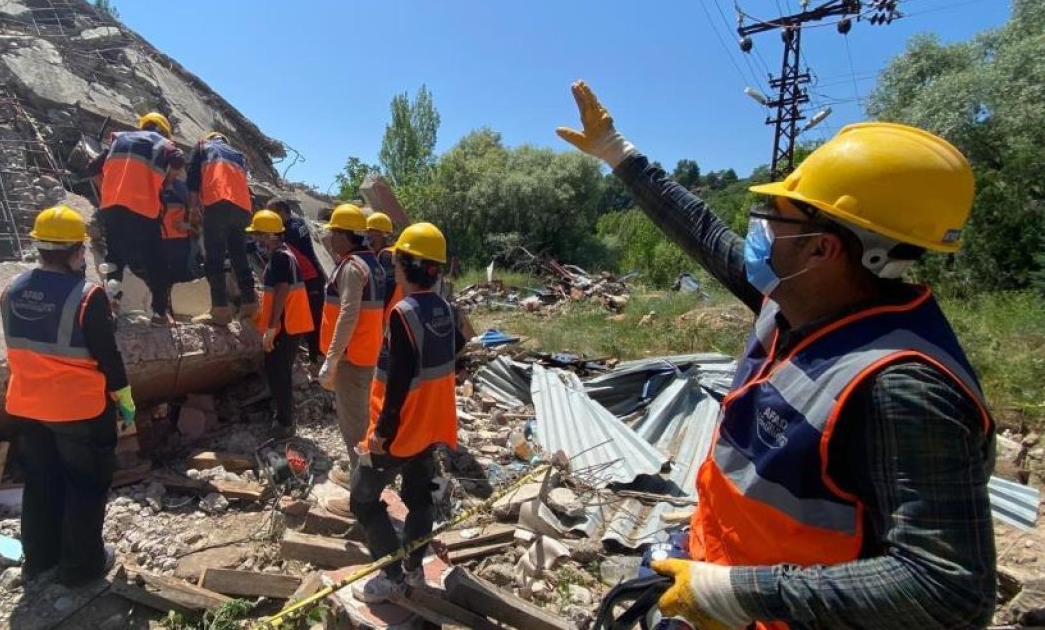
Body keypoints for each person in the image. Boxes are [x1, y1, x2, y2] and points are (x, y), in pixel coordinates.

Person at [558, 81, 995, 629]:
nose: (759, 230)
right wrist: (619, 156)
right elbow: (701, 231)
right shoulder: (794, 298)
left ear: (822, 248)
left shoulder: (903, 386)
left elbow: (948, 589)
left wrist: (740, 592)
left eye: (777, 217)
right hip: (711, 576)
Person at [0, 204, 138, 586]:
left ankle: (39, 558)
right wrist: (124, 398)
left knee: (42, 480)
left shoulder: (10, 290)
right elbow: (107, 355)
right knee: (86, 484)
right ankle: (81, 565)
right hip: (78, 408)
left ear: (39, 248)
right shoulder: (88, 296)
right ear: (78, 251)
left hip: (28, 405)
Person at [350, 222, 463, 603]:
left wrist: (382, 432)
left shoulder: (404, 313)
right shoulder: (444, 309)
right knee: (419, 499)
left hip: (401, 431)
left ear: (407, 265)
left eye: (397, 261)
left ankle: (393, 577)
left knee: (362, 501)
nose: (393, 268)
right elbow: (454, 353)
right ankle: (414, 570)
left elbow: (397, 382)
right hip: (433, 427)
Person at [88, 112, 184, 325]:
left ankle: (111, 307)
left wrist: (108, 192)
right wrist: (167, 183)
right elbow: (178, 159)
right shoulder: (163, 143)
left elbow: (92, 168)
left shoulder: (120, 139)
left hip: (113, 207)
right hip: (143, 209)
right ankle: (160, 313)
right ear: (163, 129)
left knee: (115, 260)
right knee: (156, 261)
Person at [318, 204, 386, 488]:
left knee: (354, 425)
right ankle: (364, 475)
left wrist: (332, 359)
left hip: (351, 357)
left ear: (344, 235)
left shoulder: (352, 267)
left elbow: (348, 314)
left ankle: (362, 487)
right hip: (368, 353)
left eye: (333, 233)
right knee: (362, 417)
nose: (330, 239)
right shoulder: (372, 263)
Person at [247, 209, 315, 439]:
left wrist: (271, 328)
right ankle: (284, 419)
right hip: (288, 325)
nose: (256, 238)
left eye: (258, 234)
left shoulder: (280, 257)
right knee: (279, 372)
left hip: (285, 327)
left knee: (278, 374)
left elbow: (282, 290)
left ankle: (285, 424)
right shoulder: (283, 255)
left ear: (269, 235)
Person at [186, 131, 255, 326]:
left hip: (218, 202)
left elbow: (192, 179)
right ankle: (250, 302)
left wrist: (193, 208)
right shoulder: (238, 155)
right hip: (242, 208)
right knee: (239, 256)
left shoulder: (202, 146)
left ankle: (220, 310)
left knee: (214, 259)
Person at [266, 198, 327, 364]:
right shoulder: (296, 224)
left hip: (310, 278)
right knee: (309, 319)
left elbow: (277, 242)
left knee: (314, 320)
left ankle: (318, 359)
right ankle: (315, 356)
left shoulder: (292, 229)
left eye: (272, 212)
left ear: (282, 211)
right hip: (306, 279)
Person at [366, 212, 401, 329]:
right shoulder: (397, 252)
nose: (368, 239)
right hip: (401, 312)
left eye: (371, 234)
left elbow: (387, 286)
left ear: (382, 235)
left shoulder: (385, 255)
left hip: (390, 316)